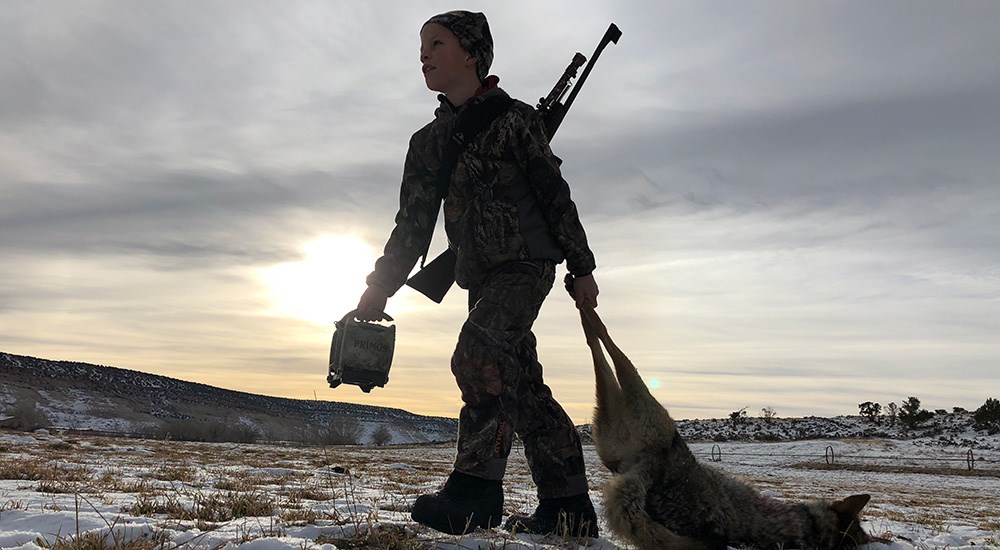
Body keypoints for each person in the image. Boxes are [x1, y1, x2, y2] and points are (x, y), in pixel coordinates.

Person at [355, 10, 600, 537]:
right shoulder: (427, 143)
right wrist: (378, 288)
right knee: (522, 386)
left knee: (478, 353)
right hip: (479, 276)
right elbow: (412, 226)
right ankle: (568, 506)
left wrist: (582, 267)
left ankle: (475, 492)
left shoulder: (516, 121)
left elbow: (555, 197)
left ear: (472, 54)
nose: (424, 54)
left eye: (436, 44)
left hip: (525, 266)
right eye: (421, 46)